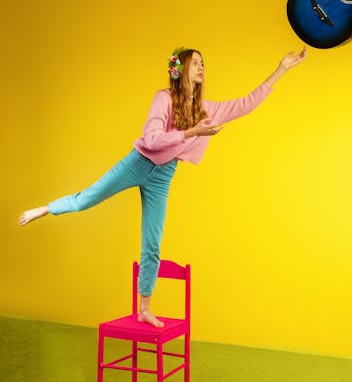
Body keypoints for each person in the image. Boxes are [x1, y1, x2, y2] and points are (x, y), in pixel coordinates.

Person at [18, 46, 307, 327]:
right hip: (139, 162)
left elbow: (245, 103)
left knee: (152, 244)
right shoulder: (163, 98)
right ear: (180, 70)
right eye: (195, 62)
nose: (201, 66)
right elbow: (152, 139)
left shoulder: (206, 109)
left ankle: (145, 308)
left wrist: (280, 70)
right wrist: (193, 131)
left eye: (203, 62)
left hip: (163, 175)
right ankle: (46, 208)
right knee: (86, 200)